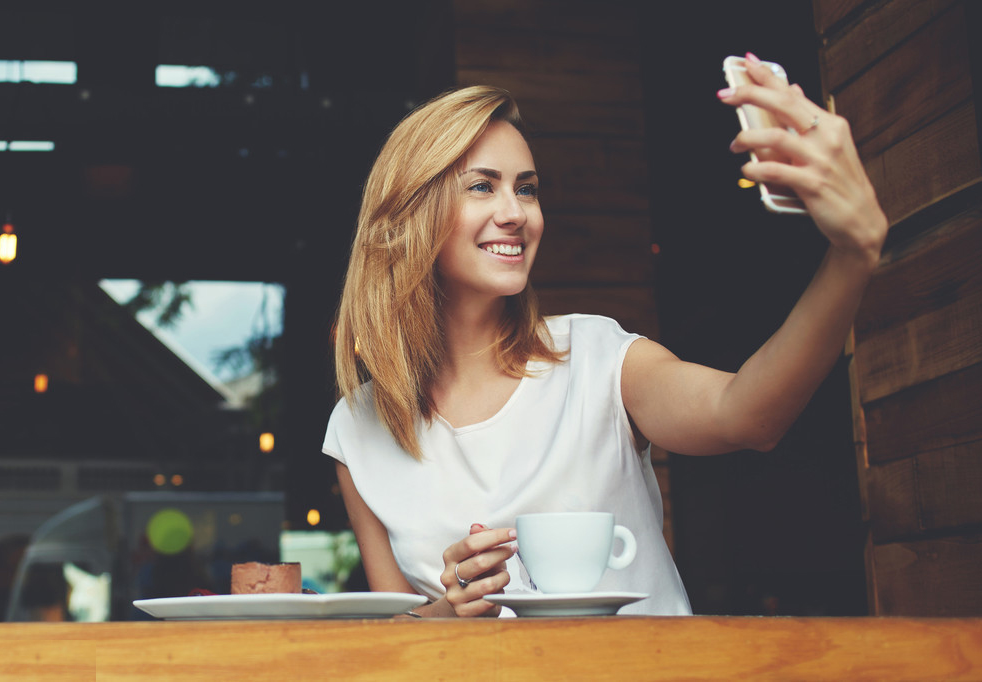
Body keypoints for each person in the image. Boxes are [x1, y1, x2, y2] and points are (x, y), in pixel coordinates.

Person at [322, 53, 888, 617]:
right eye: (482, 187)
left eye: (527, 188)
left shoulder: (597, 357)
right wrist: (455, 605)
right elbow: (394, 638)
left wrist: (851, 257)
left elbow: (746, 414)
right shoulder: (358, 428)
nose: (515, 212)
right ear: (410, 214)